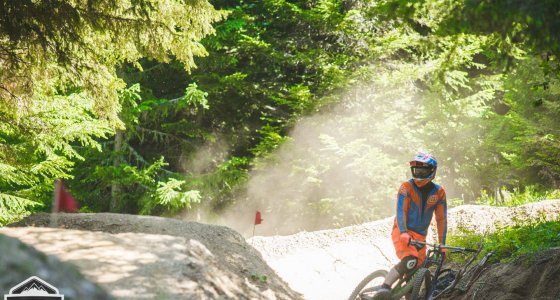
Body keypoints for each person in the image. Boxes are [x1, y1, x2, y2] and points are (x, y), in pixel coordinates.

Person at [374, 152, 447, 300]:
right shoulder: (406, 187)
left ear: (432, 171)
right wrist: (403, 232)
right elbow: (401, 210)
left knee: (414, 279)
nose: (419, 173)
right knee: (410, 261)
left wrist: (442, 244)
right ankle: (384, 288)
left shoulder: (439, 192)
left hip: (421, 238)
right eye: (416, 170)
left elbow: (441, 219)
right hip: (402, 232)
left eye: (423, 170)